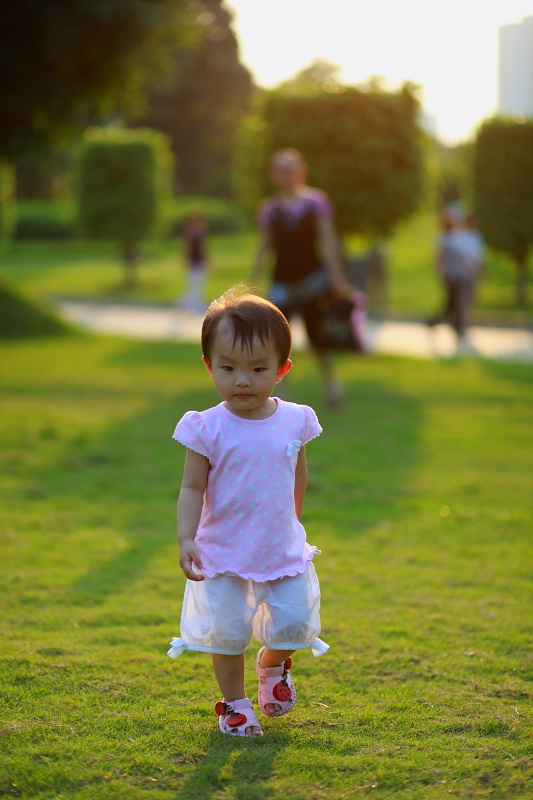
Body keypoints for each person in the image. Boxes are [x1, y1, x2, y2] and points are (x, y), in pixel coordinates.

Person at [167, 286, 329, 738]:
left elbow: (298, 473)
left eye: (258, 368)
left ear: (281, 369)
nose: (242, 380)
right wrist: (186, 537)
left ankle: (272, 664)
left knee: (295, 620)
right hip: (222, 549)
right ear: (209, 366)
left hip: (279, 543)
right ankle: (235, 706)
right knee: (227, 631)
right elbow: (191, 486)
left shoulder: (296, 419)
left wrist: (293, 521)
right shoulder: (206, 427)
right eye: (228, 367)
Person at [252, 148, 347, 406]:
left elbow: (327, 239)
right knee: (278, 341)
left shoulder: (315, 202)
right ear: (274, 175)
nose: (288, 176)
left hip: (313, 282)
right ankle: (281, 395)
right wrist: (252, 282)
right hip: (281, 283)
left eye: (292, 169)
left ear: (302, 171)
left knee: (318, 338)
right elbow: (264, 246)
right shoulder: (270, 209)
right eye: (282, 171)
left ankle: (331, 384)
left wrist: (336, 276)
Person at [427, 206, 483, 353]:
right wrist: (443, 273)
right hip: (452, 275)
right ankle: (457, 328)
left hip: (461, 275)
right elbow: (440, 258)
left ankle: (443, 325)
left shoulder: (457, 236)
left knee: (453, 304)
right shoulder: (445, 238)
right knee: (454, 303)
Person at [177, 214, 208, 314]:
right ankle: (191, 305)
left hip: (199, 261)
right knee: (193, 284)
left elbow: (203, 249)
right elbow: (186, 249)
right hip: (193, 262)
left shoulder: (199, 234)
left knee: (198, 284)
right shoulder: (190, 235)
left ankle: (188, 303)